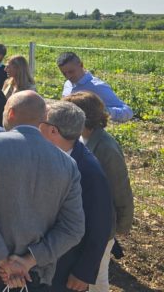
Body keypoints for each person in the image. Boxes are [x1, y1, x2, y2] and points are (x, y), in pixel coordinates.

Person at [0, 91, 85, 292]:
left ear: (11, 114)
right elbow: (73, 228)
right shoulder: (67, 164)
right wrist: (28, 261)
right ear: (43, 119)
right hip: (33, 274)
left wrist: (3, 260)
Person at [39, 101, 113, 292]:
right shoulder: (53, 153)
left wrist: (83, 272)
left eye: (41, 122)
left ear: (53, 131)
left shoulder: (88, 171)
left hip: (67, 267)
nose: (37, 125)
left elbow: (101, 225)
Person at [65, 91, 134, 292]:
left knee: (97, 280)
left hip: (101, 225)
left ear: (82, 117)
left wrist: (121, 226)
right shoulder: (79, 138)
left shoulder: (106, 148)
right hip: (84, 222)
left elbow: (120, 189)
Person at [57, 52, 133, 122]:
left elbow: (127, 112)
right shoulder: (68, 84)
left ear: (81, 65)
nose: (68, 76)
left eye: (71, 72)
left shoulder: (98, 87)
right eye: (64, 73)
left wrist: (99, 112)